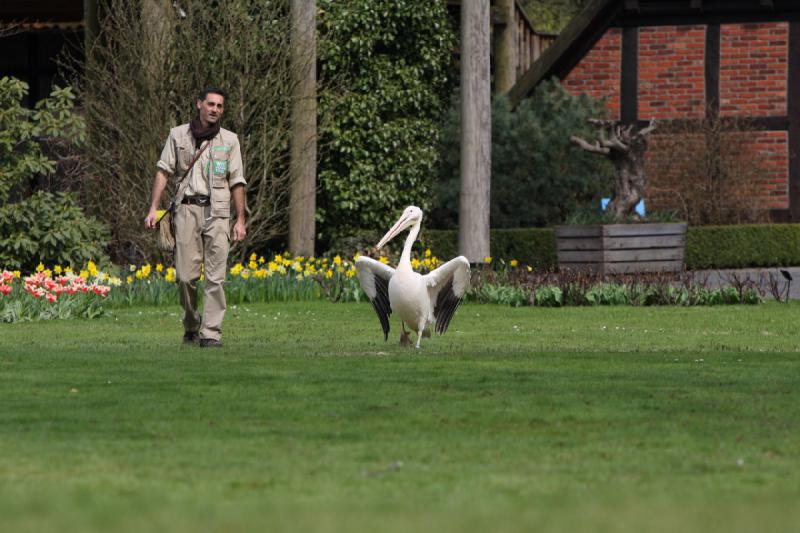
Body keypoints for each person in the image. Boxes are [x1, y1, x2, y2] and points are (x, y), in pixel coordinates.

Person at [144, 87, 246, 347]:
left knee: (216, 277)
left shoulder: (230, 140)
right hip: (186, 210)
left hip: (219, 212)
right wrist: (154, 208)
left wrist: (240, 220)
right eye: (210, 104)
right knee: (185, 277)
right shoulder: (178, 135)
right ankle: (191, 323)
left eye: (220, 106)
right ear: (199, 104)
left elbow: (237, 182)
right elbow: (163, 171)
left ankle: (211, 332)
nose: (215, 109)